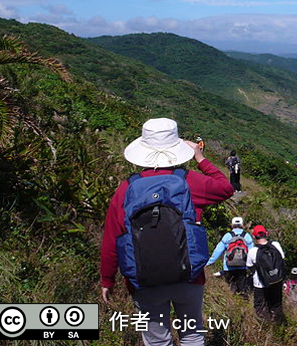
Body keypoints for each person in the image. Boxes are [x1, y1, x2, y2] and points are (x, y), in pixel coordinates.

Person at [101, 118, 236, 346]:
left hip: (143, 280)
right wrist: (201, 159)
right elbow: (226, 188)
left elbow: (112, 238)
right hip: (189, 277)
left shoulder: (127, 188)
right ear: (178, 148)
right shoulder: (189, 182)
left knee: (157, 341)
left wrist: (107, 279)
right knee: (192, 335)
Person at [246, 225, 286, 322]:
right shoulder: (276, 245)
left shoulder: (253, 251)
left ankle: (265, 328)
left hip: (260, 284)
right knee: (276, 306)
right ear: (266, 233)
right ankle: (278, 328)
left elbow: (249, 266)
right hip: (276, 281)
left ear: (254, 236)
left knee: (260, 308)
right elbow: (282, 258)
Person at [206, 216, 253, 294]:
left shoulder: (227, 236)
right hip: (242, 267)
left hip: (228, 267)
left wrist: (209, 262)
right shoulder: (247, 236)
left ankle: (230, 303)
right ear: (242, 224)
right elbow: (252, 253)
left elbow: (218, 251)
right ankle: (243, 304)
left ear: (232, 224)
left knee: (230, 290)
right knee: (242, 291)